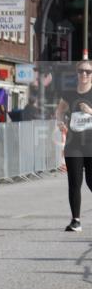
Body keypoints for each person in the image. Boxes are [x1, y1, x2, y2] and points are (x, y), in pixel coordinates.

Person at [55, 60, 92, 232]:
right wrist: (60, 122)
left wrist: (90, 112)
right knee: (74, 182)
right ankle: (75, 220)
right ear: (77, 73)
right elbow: (60, 110)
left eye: (88, 72)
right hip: (74, 143)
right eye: (81, 71)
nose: (84, 74)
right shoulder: (69, 92)